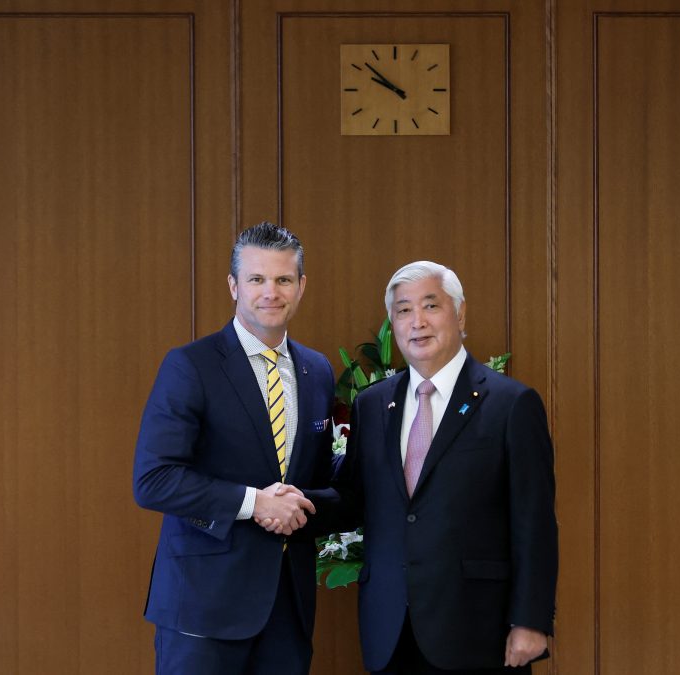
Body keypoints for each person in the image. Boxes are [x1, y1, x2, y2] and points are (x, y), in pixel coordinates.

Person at [290, 260, 559, 673]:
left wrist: (531, 620)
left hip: (477, 629)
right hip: (390, 627)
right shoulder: (373, 405)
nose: (417, 322)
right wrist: (283, 505)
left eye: (430, 306)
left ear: (460, 313)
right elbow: (357, 499)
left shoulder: (511, 405)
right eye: (403, 310)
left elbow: (534, 522)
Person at [133, 221, 335, 674]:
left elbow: (315, 479)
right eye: (257, 279)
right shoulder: (191, 365)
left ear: (301, 287)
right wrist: (254, 502)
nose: (271, 292)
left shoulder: (317, 371)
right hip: (203, 608)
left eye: (283, 279)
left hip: (288, 610)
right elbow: (154, 480)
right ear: (233, 286)